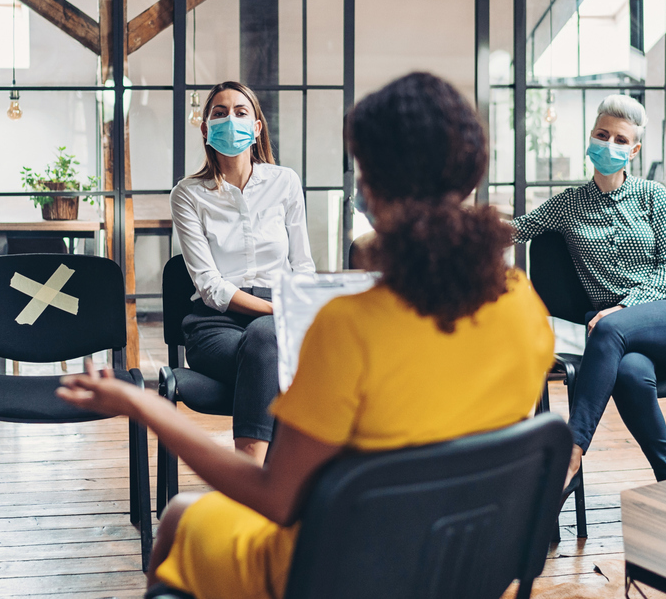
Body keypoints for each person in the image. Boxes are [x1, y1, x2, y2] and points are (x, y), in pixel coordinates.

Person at [60, 72, 554, 599]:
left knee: (181, 514)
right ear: (469, 173)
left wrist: (144, 405)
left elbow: (277, 499)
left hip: (344, 570)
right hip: (466, 564)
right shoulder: (523, 304)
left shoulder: (349, 329)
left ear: (372, 188)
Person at [511, 94, 666, 487]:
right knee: (632, 374)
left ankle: (571, 452)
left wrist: (624, 307)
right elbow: (515, 229)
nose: (609, 144)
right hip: (620, 341)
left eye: (620, 140)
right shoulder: (568, 204)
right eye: (603, 134)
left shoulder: (653, 195)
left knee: (607, 327)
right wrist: (455, 225)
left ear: (633, 150)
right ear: (590, 138)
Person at [169, 81, 314, 463]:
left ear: (257, 127)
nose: (229, 119)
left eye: (240, 111)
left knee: (266, 344)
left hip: (277, 317)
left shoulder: (285, 182)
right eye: (219, 113)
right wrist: (277, 312)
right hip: (215, 324)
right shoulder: (188, 194)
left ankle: (253, 480)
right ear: (205, 129)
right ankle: (265, 477)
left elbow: (303, 265)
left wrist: (296, 311)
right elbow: (210, 286)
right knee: (271, 348)